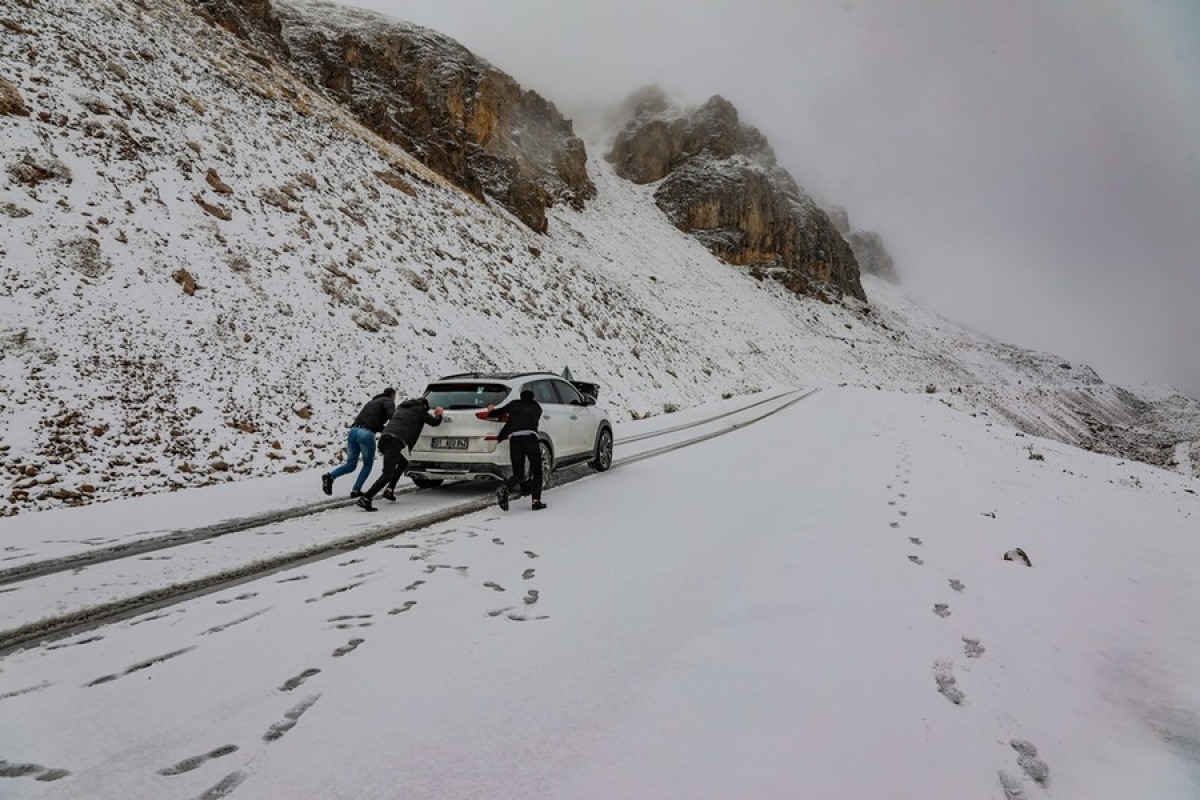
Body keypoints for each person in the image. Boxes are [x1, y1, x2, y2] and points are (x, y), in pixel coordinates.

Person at [357, 396, 444, 512]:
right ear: (424, 406)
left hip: (385, 438)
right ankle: (366, 498)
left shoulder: (401, 408)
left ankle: (390, 489)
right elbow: (434, 422)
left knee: (403, 462)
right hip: (394, 442)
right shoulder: (420, 410)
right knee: (386, 474)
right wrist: (439, 414)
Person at [322, 388, 395, 498]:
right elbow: (392, 417)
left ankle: (330, 476)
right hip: (366, 433)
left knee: (351, 464)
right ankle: (356, 490)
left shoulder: (372, 403)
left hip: (353, 431)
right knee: (367, 464)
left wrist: (384, 429)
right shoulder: (388, 401)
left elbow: (373, 421)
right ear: (392, 395)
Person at [486, 388, 547, 511]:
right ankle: (536, 501)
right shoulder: (537, 407)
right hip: (531, 438)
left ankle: (505, 488)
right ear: (532, 398)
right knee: (536, 471)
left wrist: (491, 410)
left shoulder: (514, 404)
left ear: (521, 396)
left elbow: (498, 412)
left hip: (516, 439)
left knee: (518, 474)